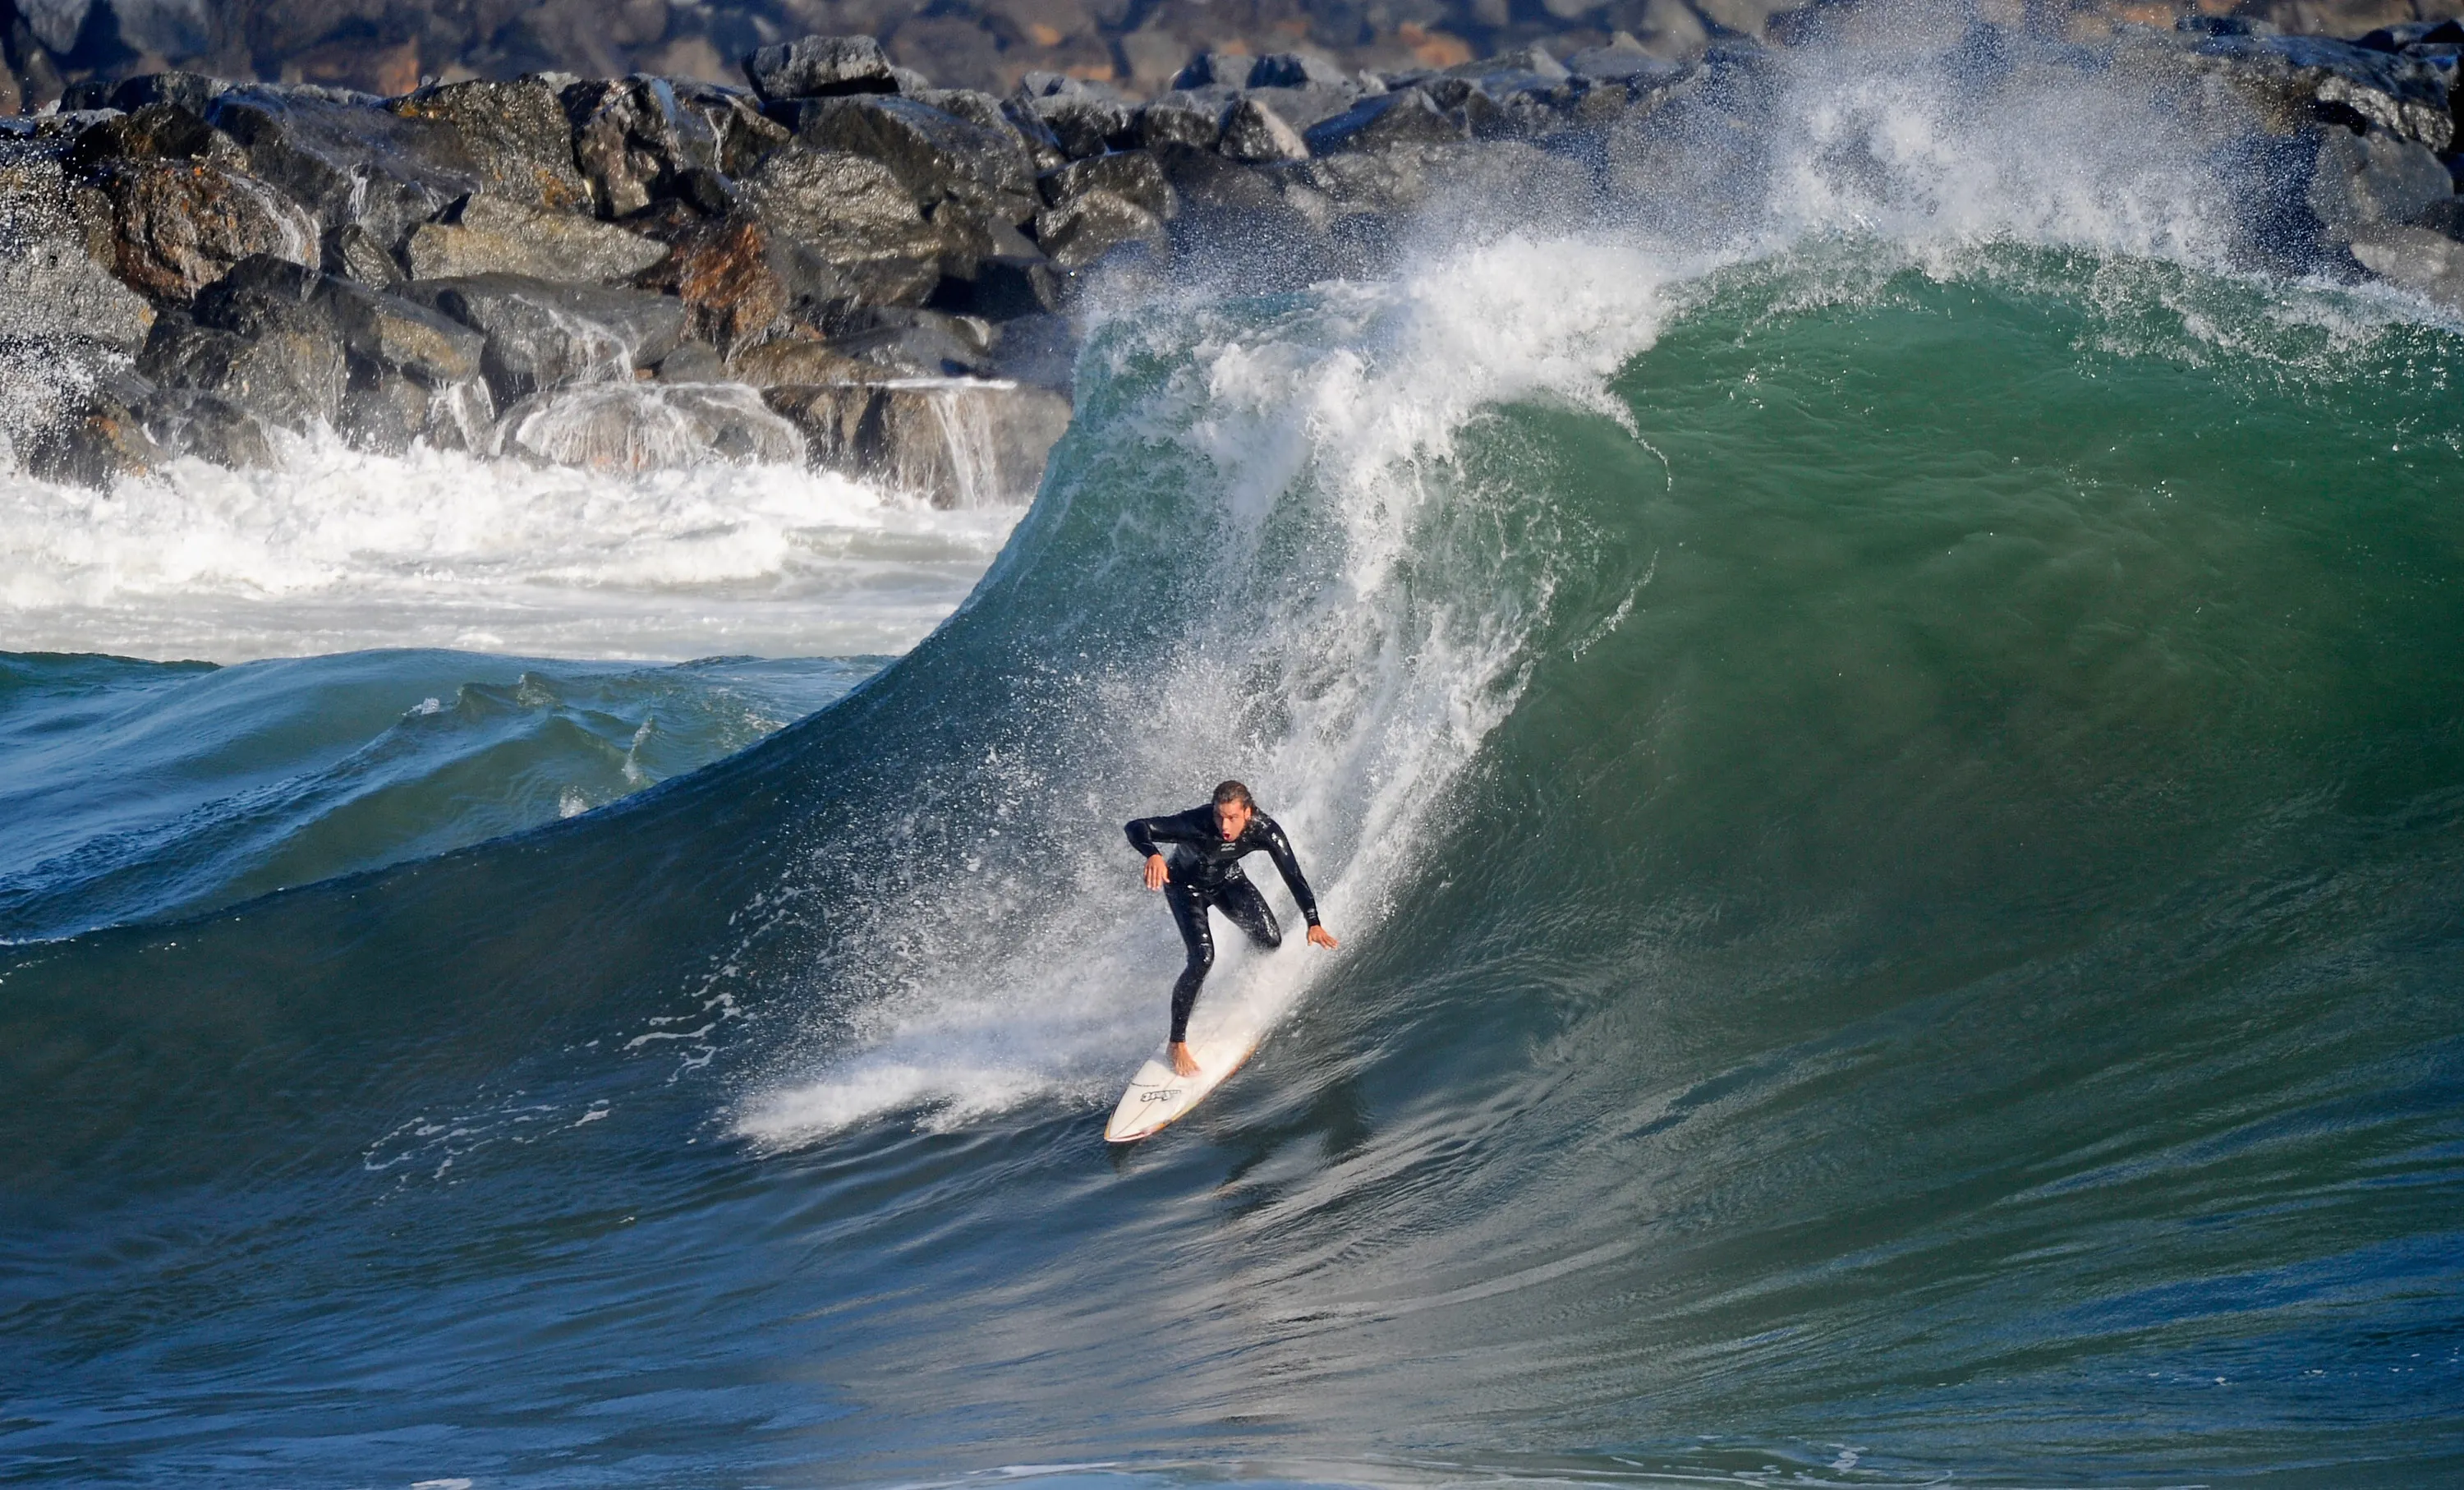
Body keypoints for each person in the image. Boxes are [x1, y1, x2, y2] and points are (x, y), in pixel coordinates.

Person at [1125, 779, 1339, 1078]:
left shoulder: (1264, 830)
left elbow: (1293, 874)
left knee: (1269, 940)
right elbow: (1136, 827)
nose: (1224, 825)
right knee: (1202, 959)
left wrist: (1313, 922)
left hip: (1228, 881)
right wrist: (1152, 853)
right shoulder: (1196, 823)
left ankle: (1235, 983)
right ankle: (1177, 1043)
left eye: (1232, 817)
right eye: (1219, 816)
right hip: (1185, 888)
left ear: (1248, 813)